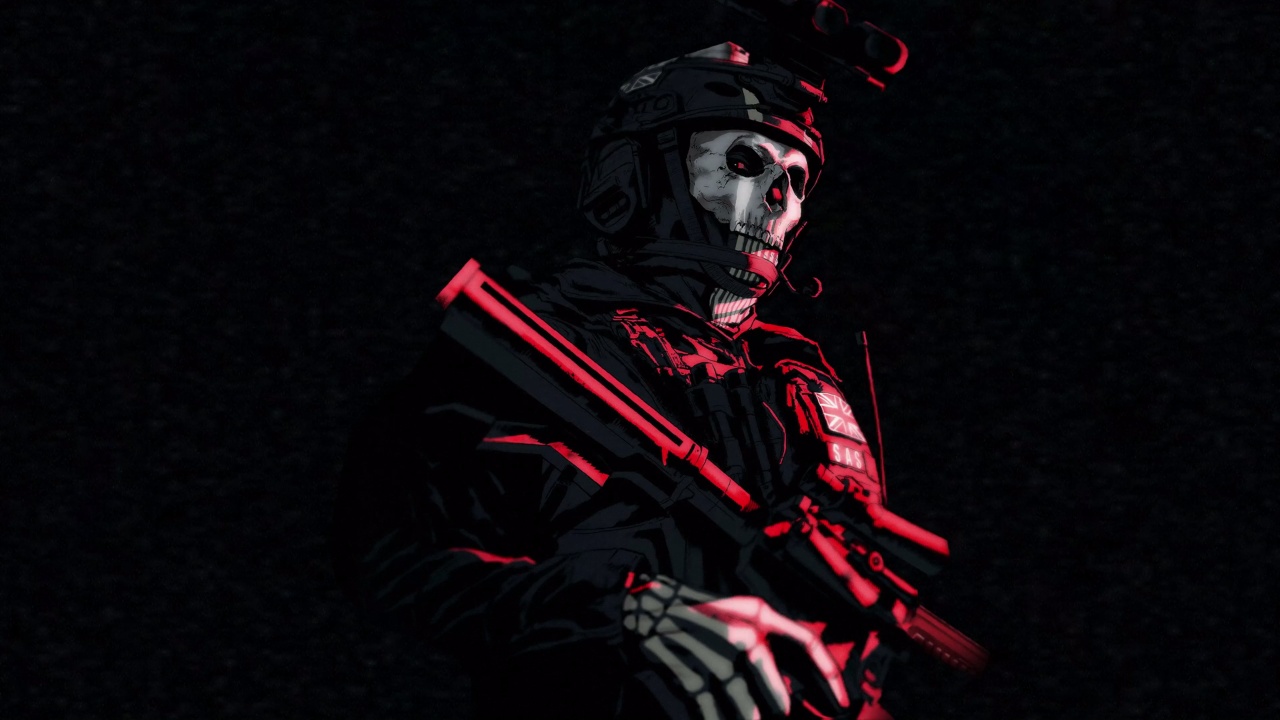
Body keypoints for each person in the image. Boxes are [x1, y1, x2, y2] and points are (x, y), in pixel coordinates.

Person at [332, 42, 907, 719]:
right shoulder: (535, 342)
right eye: (745, 162)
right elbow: (388, 567)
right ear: (636, 178)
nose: (780, 200)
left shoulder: (797, 375)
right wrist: (627, 610)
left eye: (798, 178)